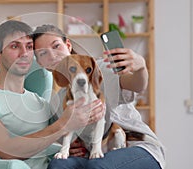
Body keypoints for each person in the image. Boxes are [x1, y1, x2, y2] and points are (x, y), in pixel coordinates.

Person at [0, 20, 105, 169]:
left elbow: (56, 137)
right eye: (15, 46)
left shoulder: (41, 103)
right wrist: (64, 125)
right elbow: (7, 150)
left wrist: (72, 145)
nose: (24, 53)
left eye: (29, 47)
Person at [32, 24, 166, 169]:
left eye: (56, 46)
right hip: (92, 155)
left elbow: (136, 85)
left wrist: (140, 67)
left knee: (98, 165)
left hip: (134, 146)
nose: (52, 55)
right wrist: (70, 146)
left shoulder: (98, 70)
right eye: (43, 53)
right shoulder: (56, 102)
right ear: (40, 62)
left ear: (68, 45)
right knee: (58, 165)